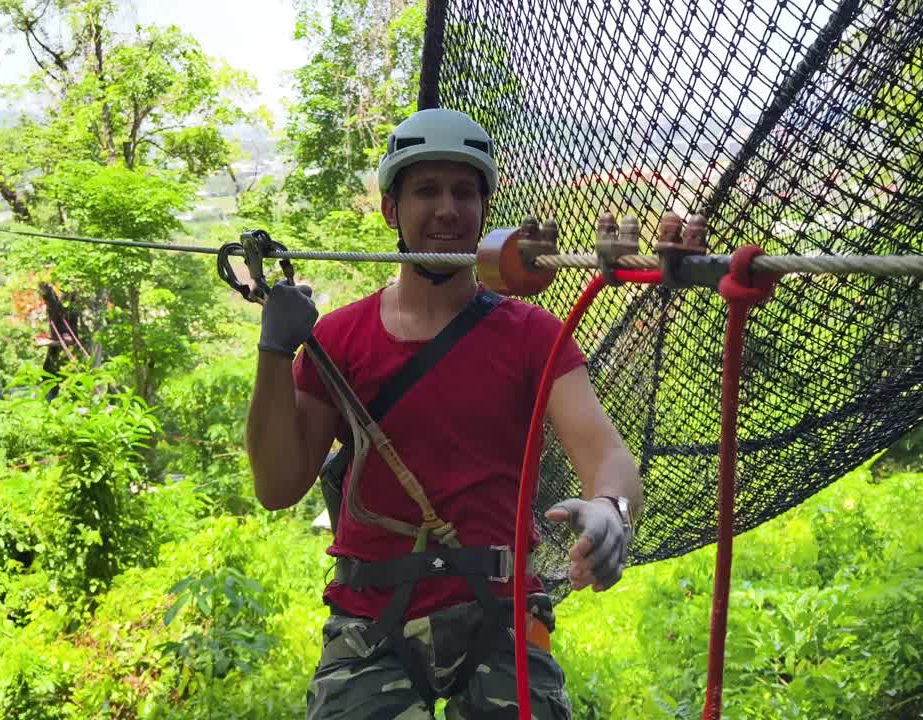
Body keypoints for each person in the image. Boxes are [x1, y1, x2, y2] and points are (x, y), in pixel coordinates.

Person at [245, 108, 642, 719]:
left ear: (485, 212)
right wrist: (276, 351)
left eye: (464, 191)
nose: (447, 209)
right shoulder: (342, 339)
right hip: (372, 618)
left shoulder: (532, 336)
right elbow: (276, 486)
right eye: (425, 190)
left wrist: (611, 507)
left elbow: (606, 453)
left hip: (503, 613)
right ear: (390, 210)